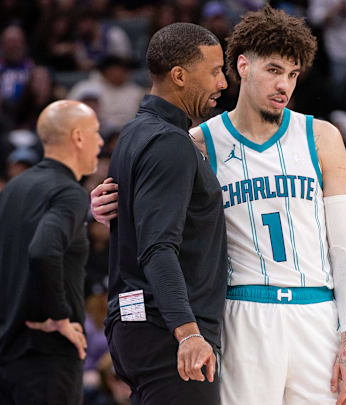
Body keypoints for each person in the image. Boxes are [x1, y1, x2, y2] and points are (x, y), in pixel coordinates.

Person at [93, 7, 346, 405]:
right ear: (242, 66)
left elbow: (345, 245)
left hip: (316, 311)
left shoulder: (321, 136)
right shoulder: (197, 141)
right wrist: (103, 203)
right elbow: (154, 205)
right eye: (274, 70)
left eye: (292, 75)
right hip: (242, 313)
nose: (284, 86)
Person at [104, 23, 229, 404]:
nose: (223, 83)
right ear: (179, 76)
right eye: (215, 71)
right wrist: (188, 332)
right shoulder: (170, 144)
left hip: (139, 324)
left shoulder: (134, 134)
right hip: (167, 333)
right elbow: (158, 247)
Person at [0, 100, 104, 404]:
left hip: (3, 352)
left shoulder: (11, 191)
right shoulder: (69, 192)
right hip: (48, 358)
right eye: (96, 132)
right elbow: (43, 250)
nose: (101, 141)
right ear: (78, 137)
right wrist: (58, 316)